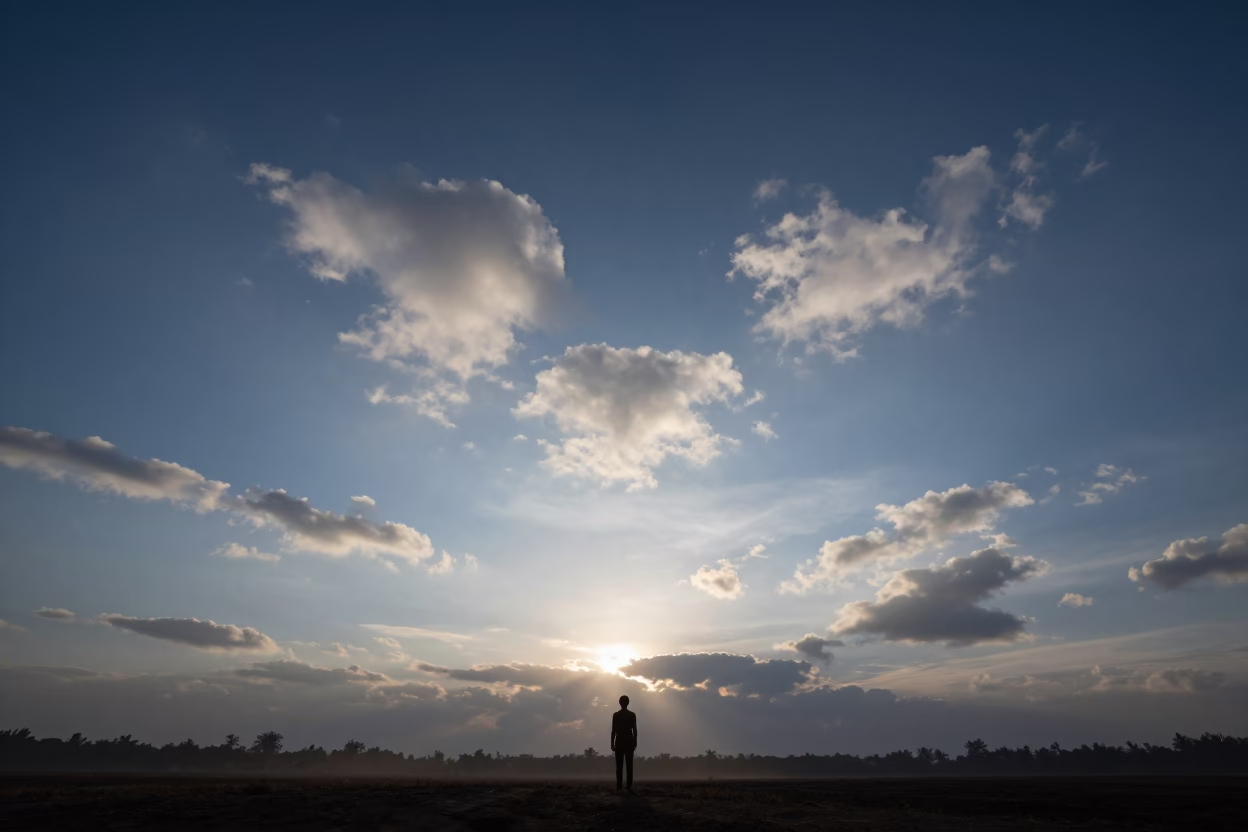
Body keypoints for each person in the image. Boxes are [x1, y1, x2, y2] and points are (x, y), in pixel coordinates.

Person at [610, 694, 637, 790]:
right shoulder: (632, 715)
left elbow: (613, 730)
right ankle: (628, 785)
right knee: (629, 765)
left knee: (619, 765)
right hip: (628, 741)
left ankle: (619, 785)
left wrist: (612, 743)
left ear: (620, 703)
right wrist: (635, 742)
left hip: (620, 741)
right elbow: (635, 730)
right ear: (628, 703)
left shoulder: (616, 715)